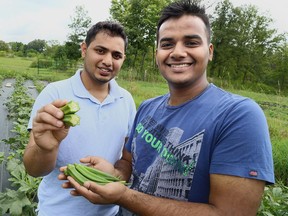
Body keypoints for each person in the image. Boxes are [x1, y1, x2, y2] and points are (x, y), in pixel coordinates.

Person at [60, 1, 274, 215]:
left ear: (209, 51)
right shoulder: (146, 108)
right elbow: (128, 161)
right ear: (157, 54)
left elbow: (231, 213)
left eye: (191, 43)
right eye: (167, 44)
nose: (178, 52)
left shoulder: (238, 115)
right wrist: (114, 174)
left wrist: (123, 196)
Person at [23, 20, 136, 216]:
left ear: (123, 59)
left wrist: (117, 174)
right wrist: (46, 148)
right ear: (84, 50)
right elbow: (33, 169)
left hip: (110, 212)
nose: (108, 61)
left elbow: (127, 159)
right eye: (100, 51)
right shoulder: (55, 94)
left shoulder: (126, 99)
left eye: (116, 55)